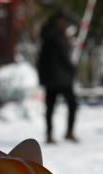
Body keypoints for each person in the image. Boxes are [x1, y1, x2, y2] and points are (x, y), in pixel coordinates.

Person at [37, 13, 78, 143]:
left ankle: (49, 134)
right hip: (62, 78)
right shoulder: (58, 37)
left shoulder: (45, 37)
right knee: (72, 104)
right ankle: (69, 132)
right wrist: (72, 69)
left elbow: (41, 60)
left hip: (50, 78)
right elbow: (64, 57)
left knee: (50, 107)